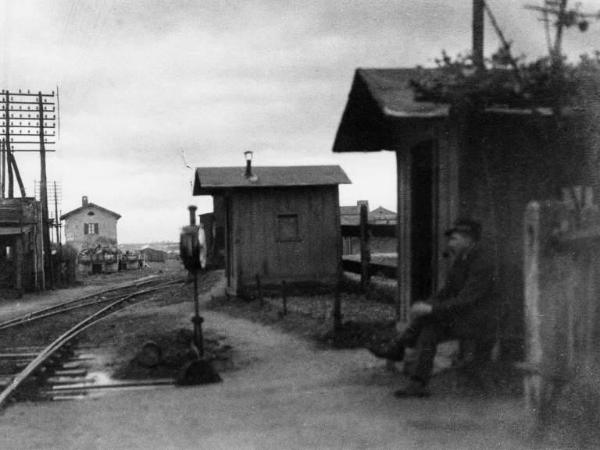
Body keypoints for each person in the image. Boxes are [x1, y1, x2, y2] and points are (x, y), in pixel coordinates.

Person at [368, 218, 497, 397]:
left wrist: (432, 310)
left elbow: (468, 299)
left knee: (431, 322)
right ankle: (416, 383)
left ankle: (399, 349)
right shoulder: (462, 259)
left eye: (454, 239)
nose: (449, 243)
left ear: (469, 239)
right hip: (468, 316)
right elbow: (446, 291)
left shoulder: (483, 262)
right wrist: (426, 305)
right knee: (430, 329)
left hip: (484, 319)